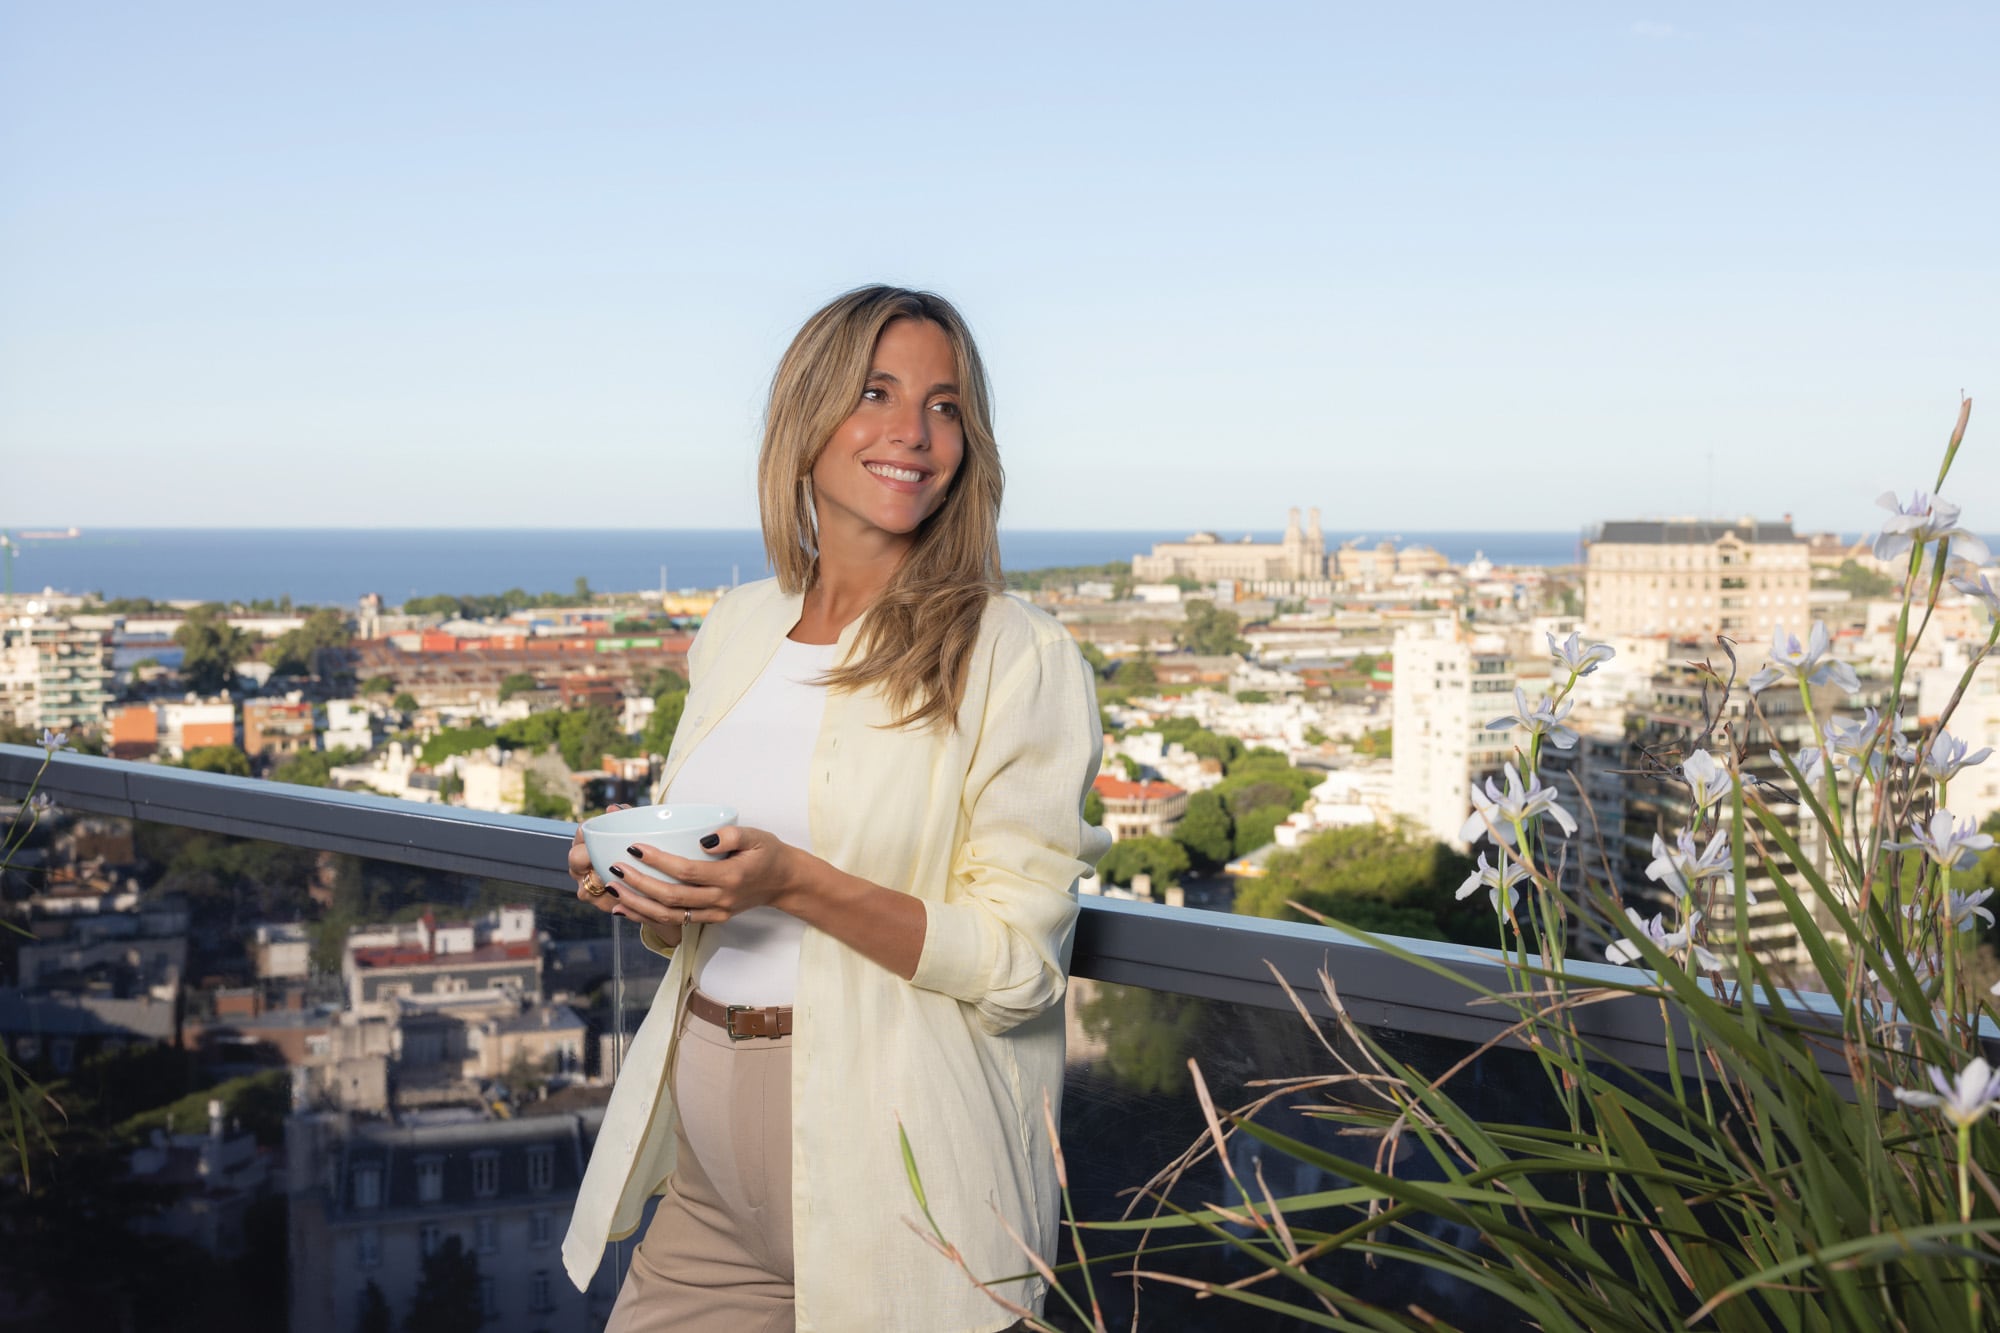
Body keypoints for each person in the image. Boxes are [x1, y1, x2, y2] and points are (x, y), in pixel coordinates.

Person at [560, 285, 1110, 1333]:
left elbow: (1018, 966)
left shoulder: (1013, 653)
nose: (915, 431)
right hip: (711, 1160)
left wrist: (795, 881)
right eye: (876, 392)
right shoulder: (736, 627)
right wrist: (642, 881)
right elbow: (697, 919)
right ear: (803, 420)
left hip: (898, 1161)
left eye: (946, 405)